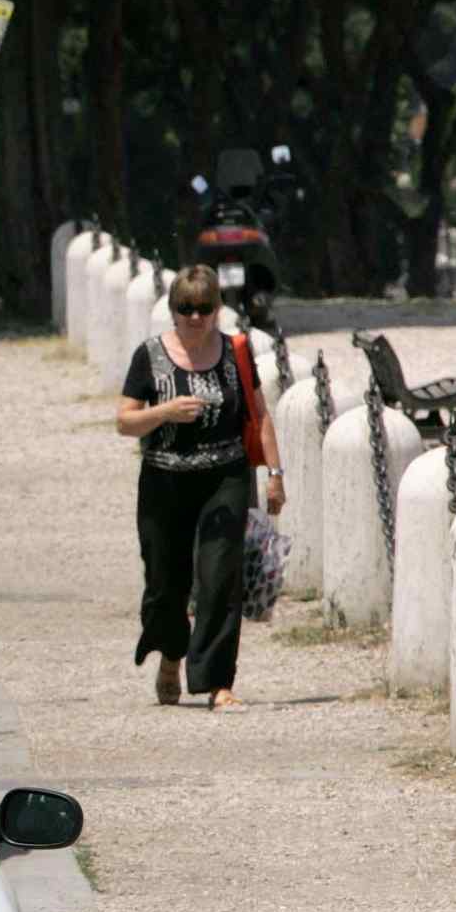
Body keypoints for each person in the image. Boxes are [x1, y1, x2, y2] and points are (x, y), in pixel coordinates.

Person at [115, 264, 285, 711]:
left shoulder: (235, 352)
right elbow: (124, 421)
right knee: (164, 582)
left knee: (219, 578)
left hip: (224, 478)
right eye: (185, 308)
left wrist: (275, 475)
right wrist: (164, 412)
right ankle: (172, 653)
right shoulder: (150, 355)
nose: (194, 317)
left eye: (204, 308)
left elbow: (259, 415)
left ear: (217, 310)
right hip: (164, 481)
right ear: (172, 310)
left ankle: (217, 682)